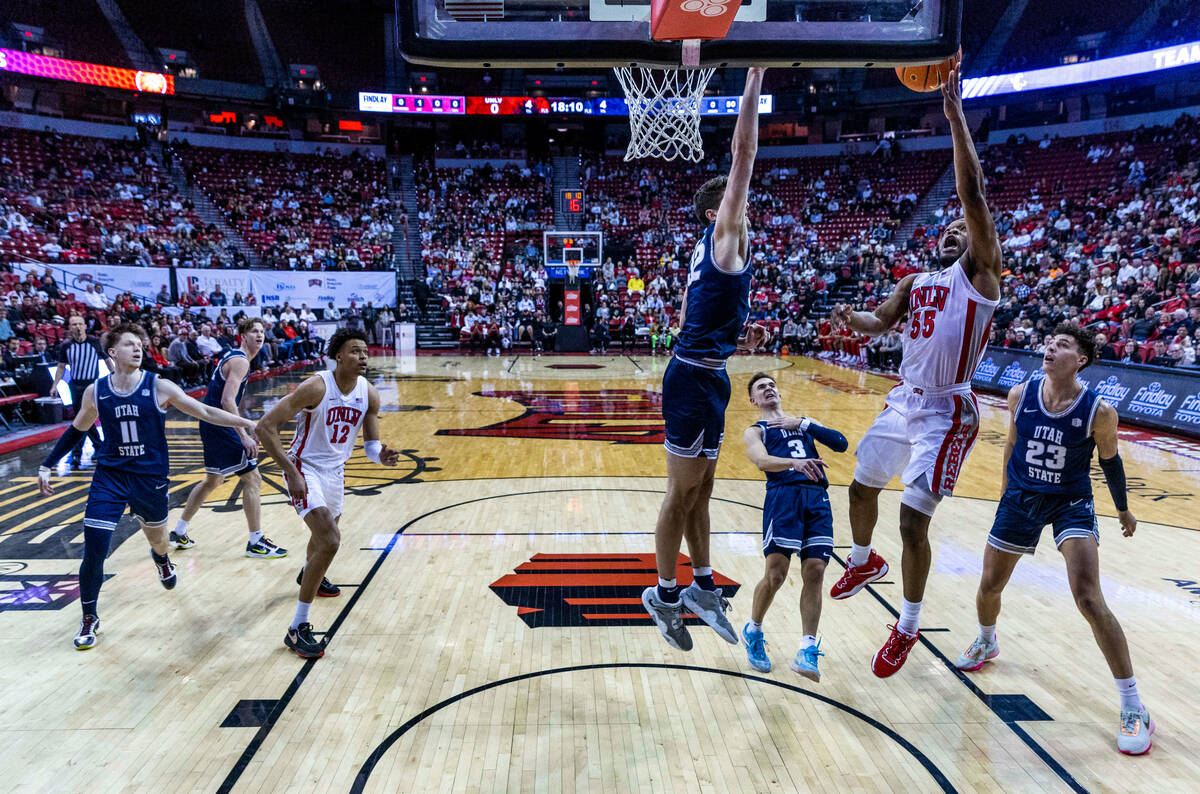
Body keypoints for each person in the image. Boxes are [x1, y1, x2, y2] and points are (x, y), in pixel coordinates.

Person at [827, 67, 1002, 678]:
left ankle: (906, 626)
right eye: (948, 226)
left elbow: (973, 194)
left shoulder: (981, 276)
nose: (955, 226)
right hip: (904, 399)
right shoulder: (915, 281)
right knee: (859, 488)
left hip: (949, 410)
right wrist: (855, 318)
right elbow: (879, 324)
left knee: (911, 520)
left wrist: (955, 119)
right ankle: (861, 559)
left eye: (965, 227)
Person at [953, 325, 1154, 755]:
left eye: (1062, 345)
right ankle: (987, 639)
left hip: (1070, 502)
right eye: (1049, 342)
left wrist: (1122, 509)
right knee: (989, 586)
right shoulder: (1019, 394)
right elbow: (1011, 442)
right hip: (1021, 498)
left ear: (1080, 359)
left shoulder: (1099, 411)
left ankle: (1133, 706)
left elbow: (1112, 464)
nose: (1050, 347)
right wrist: (1006, 490)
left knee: (1088, 598)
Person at [642, 67, 770, 651]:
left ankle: (699, 585)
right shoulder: (725, 233)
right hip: (692, 378)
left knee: (704, 491)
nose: (746, 201)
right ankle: (663, 592)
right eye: (738, 198)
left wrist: (736, 337)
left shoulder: (714, 250)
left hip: (709, 373)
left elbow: (702, 308)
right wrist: (755, 76)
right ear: (722, 207)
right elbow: (744, 150)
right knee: (680, 492)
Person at [36, 322, 257, 650]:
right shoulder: (96, 391)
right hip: (110, 476)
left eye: (139, 343)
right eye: (129, 344)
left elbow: (206, 410)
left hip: (149, 479)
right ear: (113, 352)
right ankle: (89, 616)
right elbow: (77, 429)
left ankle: (161, 558)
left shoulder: (159, 386)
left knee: (158, 539)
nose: (138, 348)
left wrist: (245, 422)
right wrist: (47, 463)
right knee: (95, 547)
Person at [255, 329, 401, 659]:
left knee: (323, 540)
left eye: (365, 351)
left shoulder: (369, 393)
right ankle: (297, 627)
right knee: (331, 540)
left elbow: (372, 447)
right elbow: (264, 426)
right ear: (338, 356)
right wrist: (291, 472)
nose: (363, 356)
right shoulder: (317, 387)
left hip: (335, 472)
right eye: (355, 351)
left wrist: (382, 456)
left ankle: (310, 573)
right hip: (304, 466)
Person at [741, 372, 847, 680]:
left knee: (815, 571)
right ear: (753, 400)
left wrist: (803, 424)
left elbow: (841, 443)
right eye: (761, 387)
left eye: (772, 385)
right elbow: (761, 462)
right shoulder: (755, 430)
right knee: (776, 575)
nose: (769, 389)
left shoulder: (803, 423)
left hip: (817, 497)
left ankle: (807, 649)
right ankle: (754, 630)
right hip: (783, 497)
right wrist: (793, 463)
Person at [170, 317, 287, 558]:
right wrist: (243, 434)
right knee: (253, 479)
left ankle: (179, 531)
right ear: (243, 336)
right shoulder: (240, 361)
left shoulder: (235, 357)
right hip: (219, 425)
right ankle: (256, 542)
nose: (259, 335)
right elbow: (226, 401)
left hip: (211, 422)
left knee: (213, 480)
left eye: (262, 331)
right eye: (254, 331)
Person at [50, 314, 105, 468]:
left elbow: (107, 360)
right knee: (83, 419)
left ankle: (77, 453)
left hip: (92, 385)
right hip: (75, 386)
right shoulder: (66, 346)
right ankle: (98, 447)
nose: (78, 327)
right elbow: (61, 367)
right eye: (74, 324)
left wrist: (117, 378)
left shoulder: (95, 342)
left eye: (80, 324)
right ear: (70, 328)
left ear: (85, 326)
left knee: (82, 419)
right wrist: (55, 385)